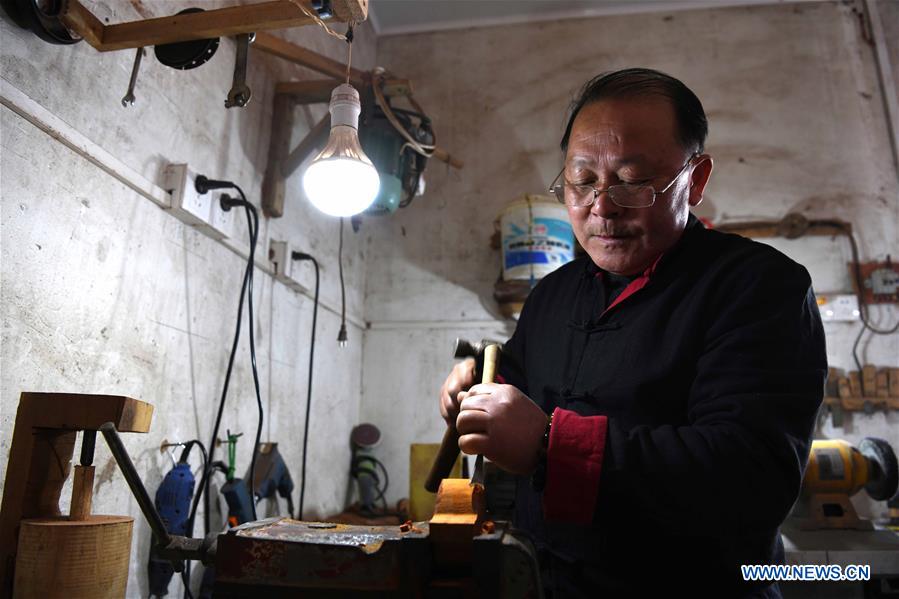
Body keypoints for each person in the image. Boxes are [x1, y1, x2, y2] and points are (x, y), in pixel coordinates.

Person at [438, 68, 827, 598]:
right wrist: (478, 382)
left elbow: (749, 476)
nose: (602, 206)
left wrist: (551, 445)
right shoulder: (553, 294)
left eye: (631, 180)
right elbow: (524, 382)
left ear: (696, 179)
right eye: (582, 181)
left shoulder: (759, 287)